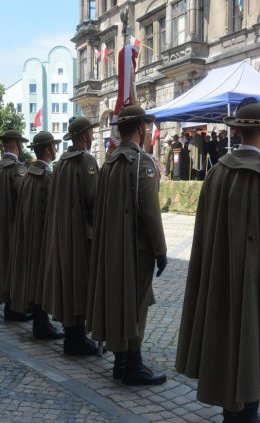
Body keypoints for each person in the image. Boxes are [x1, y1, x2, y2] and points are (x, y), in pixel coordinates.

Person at [176, 98, 260, 422]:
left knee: (222, 342)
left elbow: (204, 232)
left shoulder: (216, 173)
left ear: (238, 131)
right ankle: (246, 415)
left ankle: (233, 410)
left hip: (218, 278)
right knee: (252, 347)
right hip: (258, 285)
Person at [87, 105, 168, 385]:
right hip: (136, 250)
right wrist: (161, 251)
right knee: (135, 306)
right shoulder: (141, 162)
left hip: (112, 247)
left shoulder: (108, 161)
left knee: (120, 303)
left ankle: (121, 361)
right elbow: (150, 213)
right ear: (142, 129)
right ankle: (132, 365)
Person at [41, 117, 100, 356]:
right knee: (79, 284)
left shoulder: (62, 162)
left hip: (62, 232)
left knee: (68, 283)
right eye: (91, 133)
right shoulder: (86, 160)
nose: (92, 137)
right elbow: (95, 199)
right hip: (80, 234)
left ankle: (72, 334)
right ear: (85, 136)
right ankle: (76, 338)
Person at [7, 131, 64, 340]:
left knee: (35, 278)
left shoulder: (29, 175)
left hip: (29, 236)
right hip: (43, 237)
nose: (55, 150)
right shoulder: (47, 176)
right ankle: (41, 324)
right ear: (49, 149)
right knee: (43, 279)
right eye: (54, 146)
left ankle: (41, 322)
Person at [0, 129, 30, 320]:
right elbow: (25, 193)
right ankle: (14, 308)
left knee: (2, 265)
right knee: (15, 266)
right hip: (14, 226)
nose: (21, 147)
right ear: (14, 144)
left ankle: (9, 306)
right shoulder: (16, 168)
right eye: (20, 143)